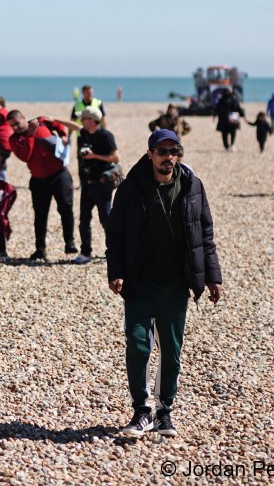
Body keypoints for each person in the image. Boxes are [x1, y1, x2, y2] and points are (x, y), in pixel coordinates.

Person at [105, 129, 223, 438]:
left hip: (175, 284)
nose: (168, 156)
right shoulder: (130, 189)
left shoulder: (192, 186)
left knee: (171, 350)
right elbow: (115, 236)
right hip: (140, 283)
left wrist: (213, 276)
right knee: (137, 344)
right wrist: (115, 271)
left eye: (173, 151)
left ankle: (164, 412)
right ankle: (142, 411)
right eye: (162, 151)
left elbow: (204, 236)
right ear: (150, 154)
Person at [7, 109, 76, 261]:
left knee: (66, 208)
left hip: (60, 175)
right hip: (39, 180)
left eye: (17, 123)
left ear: (24, 118)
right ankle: (40, 249)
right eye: (12, 126)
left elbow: (58, 126)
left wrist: (63, 136)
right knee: (40, 215)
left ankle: (70, 242)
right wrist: (30, 134)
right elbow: (25, 156)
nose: (16, 128)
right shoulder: (14, 140)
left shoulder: (42, 121)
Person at [66, 106, 119, 265]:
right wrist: (51, 119)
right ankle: (85, 252)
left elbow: (116, 157)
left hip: (101, 185)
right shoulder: (84, 132)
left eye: (83, 118)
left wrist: (94, 156)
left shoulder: (105, 135)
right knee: (84, 219)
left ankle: (115, 251)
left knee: (106, 219)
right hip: (86, 184)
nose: (81, 120)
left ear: (91, 120)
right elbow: (73, 126)